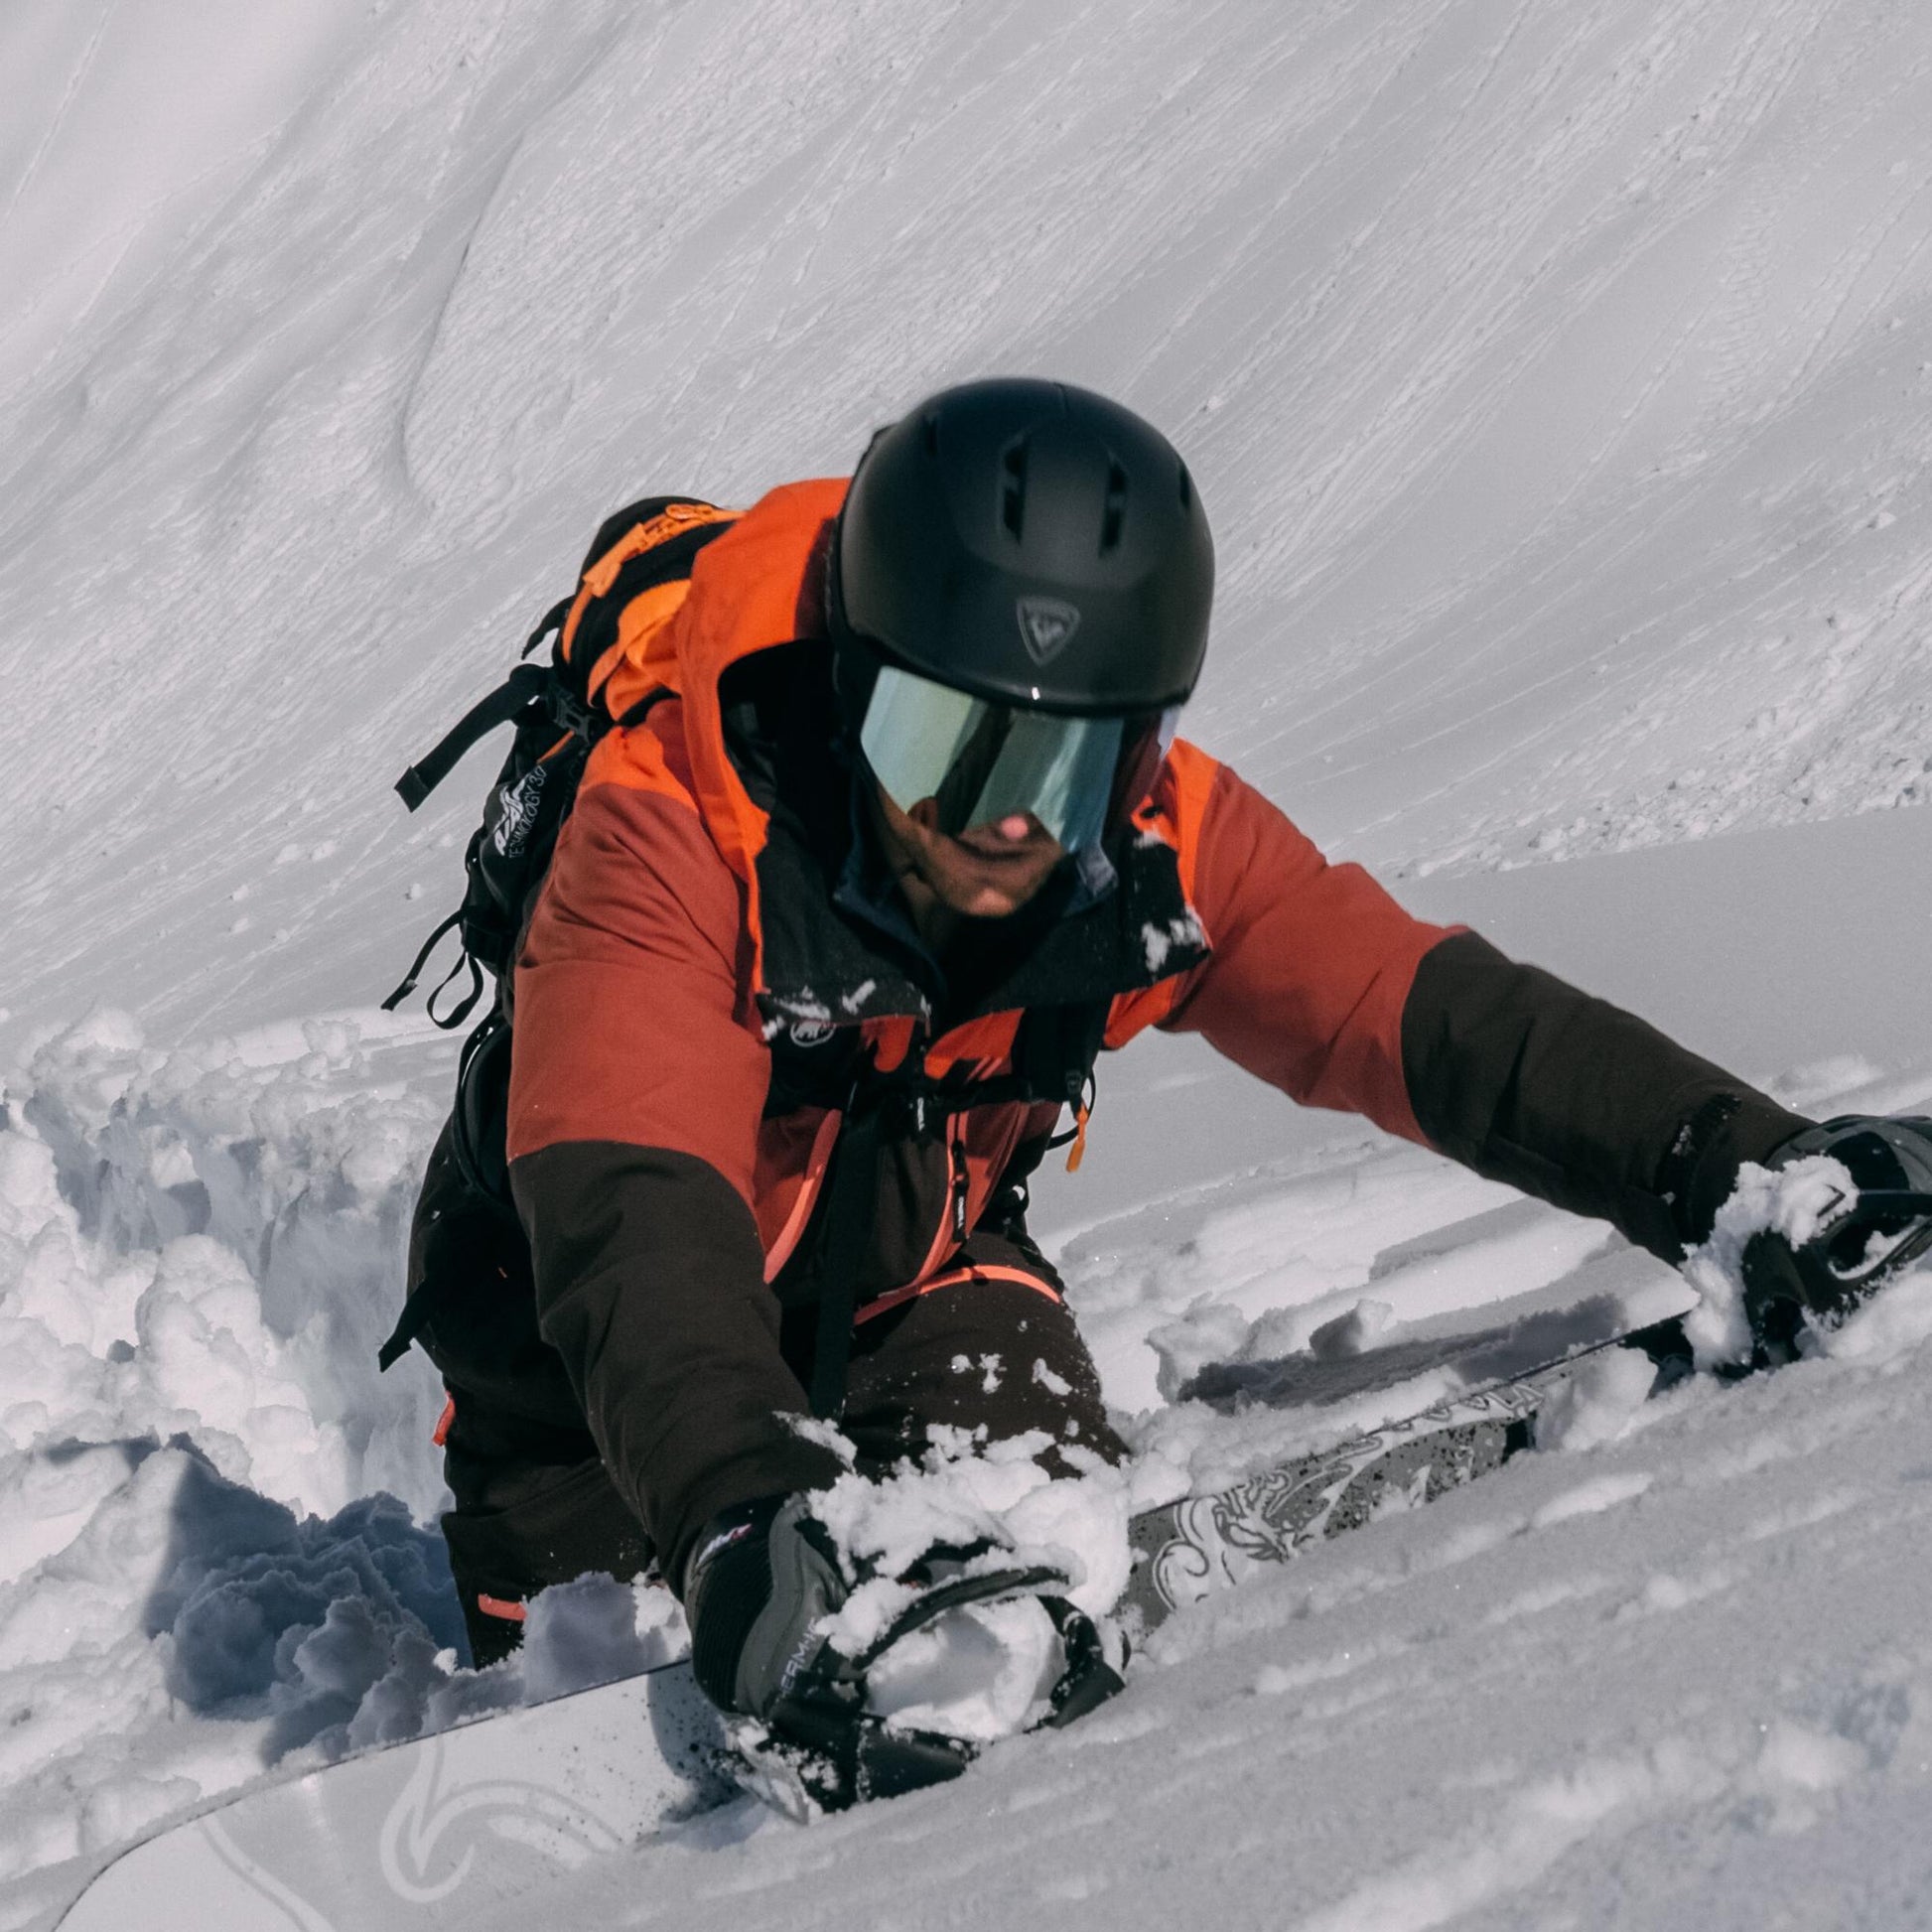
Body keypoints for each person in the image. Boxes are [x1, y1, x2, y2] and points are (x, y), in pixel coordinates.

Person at [400, 376, 1930, 1763]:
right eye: (938, 737)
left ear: (1133, 752)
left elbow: (1413, 1014)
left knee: (1024, 1580)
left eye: (1057, 761)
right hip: (583, 1368)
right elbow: (637, 1222)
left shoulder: (1143, 844)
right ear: (854, 686)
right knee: (664, 1655)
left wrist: (1739, 1165)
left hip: (912, 1281)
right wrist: (740, 1513)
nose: (996, 819)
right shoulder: (666, 826)